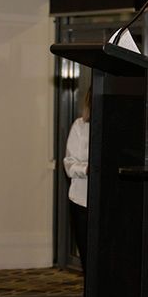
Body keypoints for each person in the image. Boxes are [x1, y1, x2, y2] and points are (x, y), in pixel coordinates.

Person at [63, 88, 91, 270]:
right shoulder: (79, 126)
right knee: (87, 256)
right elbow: (69, 164)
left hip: (110, 202)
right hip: (81, 200)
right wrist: (87, 169)